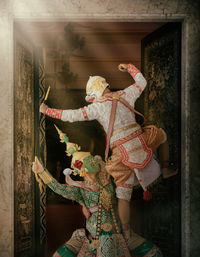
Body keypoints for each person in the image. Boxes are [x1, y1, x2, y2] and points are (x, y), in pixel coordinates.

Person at [40, 63, 178, 238]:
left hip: (121, 152)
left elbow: (72, 116)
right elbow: (141, 81)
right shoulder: (126, 94)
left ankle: (126, 232)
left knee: (123, 194)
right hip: (140, 140)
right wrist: (128, 67)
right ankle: (165, 169)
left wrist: (47, 110)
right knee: (162, 135)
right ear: (105, 86)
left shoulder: (96, 107)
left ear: (94, 93)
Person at [32, 130, 165, 257]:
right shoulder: (79, 189)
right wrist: (42, 172)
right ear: (83, 168)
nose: (96, 160)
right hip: (90, 238)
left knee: (154, 255)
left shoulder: (110, 181)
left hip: (119, 234)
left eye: (95, 159)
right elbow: (58, 188)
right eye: (91, 160)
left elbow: (126, 177)